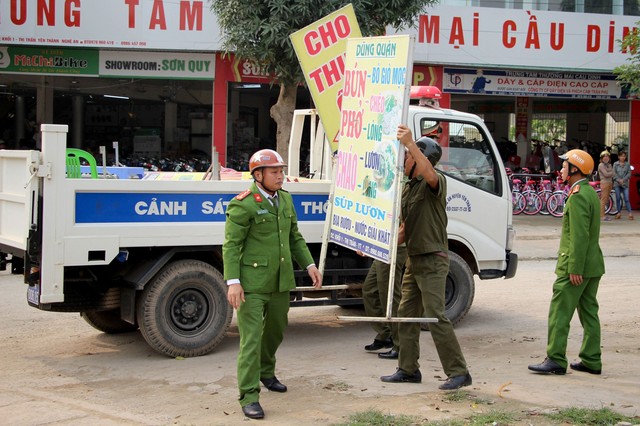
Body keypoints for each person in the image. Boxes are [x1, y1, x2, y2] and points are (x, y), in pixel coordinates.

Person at [223, 148, 323, 420]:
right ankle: (249, 395)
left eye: (281, 171)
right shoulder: (243, 203)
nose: (281, 176)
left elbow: (294, 237)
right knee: (251, 340)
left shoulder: (286, 200)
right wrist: (233, 282)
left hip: (280, 281)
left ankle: (267, 373)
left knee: (276, 331)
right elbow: (231, 246)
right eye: (275, 172)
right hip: (252, 284)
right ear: (258, 175)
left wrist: (310, 264)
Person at [380, 125, 472, 390]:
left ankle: (459, 372)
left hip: (433, 259)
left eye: (409, 156)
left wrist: (410, 143)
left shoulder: (436, 181)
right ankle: (408, 369)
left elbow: (429, 174)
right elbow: (405, 230)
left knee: (435, 316)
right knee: (406, 314)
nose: (406, 159)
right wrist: (379, 245)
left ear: (420, 159)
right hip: (415, 259)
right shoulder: (409, 188)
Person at [528, 149, 605, 376]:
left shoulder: (578, 195)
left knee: (559, 313)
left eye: (564, 166)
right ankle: (591, 359)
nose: (560, 169)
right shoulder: (589, 193)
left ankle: (556, 359)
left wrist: (574, 268)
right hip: (593, 266)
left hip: (577, 266)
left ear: (574, 169)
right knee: (589, 312)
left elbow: (579, 236)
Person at [360, 245, 408, 359]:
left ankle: (400, 345)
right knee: (369, 290)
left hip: (394, 248)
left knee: (390, 296)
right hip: (381, 249)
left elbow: (402, 230)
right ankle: (385, 334)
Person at [612, 150, 633, 220]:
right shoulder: (615, 164)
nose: (622, 157)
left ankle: (630, 213)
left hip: (625, 184)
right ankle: (618, 213)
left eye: (624, 156)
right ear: (618, 157)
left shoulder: (627, 164)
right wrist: (618, 180)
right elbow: (613, 174)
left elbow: (629, 174)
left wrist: (623, 180)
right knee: (618, 199)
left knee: (626, 199)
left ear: (625, 157)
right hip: (617, 184)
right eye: (621, 156)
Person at [597, 150, 614, 221]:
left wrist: (611, 172)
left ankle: (603, 214)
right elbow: (606, 174)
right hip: (604, 183)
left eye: (607, 156)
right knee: (603, 199)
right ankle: (601, 216)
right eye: (604, 157)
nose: (606, 158)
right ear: (601, 158)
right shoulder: (601, 165)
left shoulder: (609, 165)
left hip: (610, 183)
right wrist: (612, 172)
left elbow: (611, 173)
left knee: (606, 199)